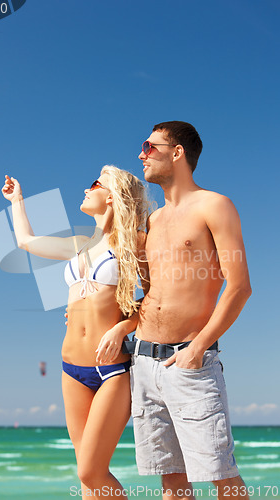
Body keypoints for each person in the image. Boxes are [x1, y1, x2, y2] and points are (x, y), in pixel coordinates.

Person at [101, 122, 252, 500]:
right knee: (171, 481)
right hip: (144, 363)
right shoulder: (151, 221)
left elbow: (239, 286)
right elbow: (150, 292)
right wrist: (122, 327)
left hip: (188, 363)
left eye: (149, 147)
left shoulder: (214, 205)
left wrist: (199, 347)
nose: (141, 155)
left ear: (178, 152)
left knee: (222, 477)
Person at [1, 166, 150, 500]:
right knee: (86, 479)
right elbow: (26, 241)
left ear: (112, 196)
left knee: (90, 470)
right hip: (71, 368)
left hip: (111, 368)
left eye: (95, 184)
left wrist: (123, 327)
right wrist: (17, 201)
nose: (86, 189)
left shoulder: (135, 243)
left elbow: (157, 297)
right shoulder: (81, 243)